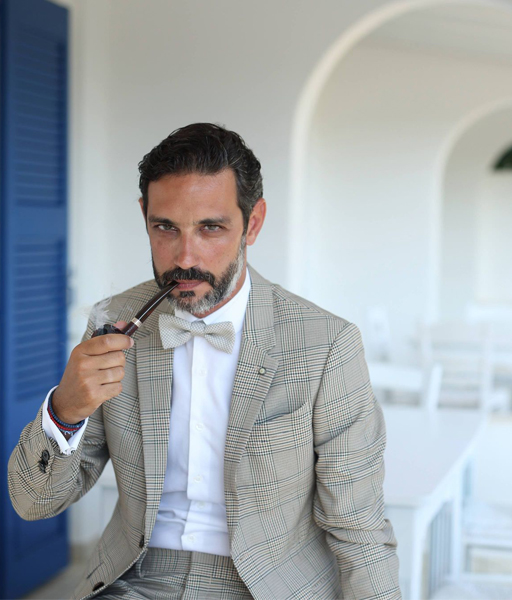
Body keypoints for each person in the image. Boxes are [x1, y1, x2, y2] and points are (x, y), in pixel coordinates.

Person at [8, 123, 401, 599]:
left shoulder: (326, 345)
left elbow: (359, 528)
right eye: (165, 228)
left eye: (210, 228)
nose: (184, 256)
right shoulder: (113, 323)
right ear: (144, 216)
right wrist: (65, 410)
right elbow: (34, 503)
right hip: (137, 577)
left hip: (266, 586)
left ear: (253, 223)